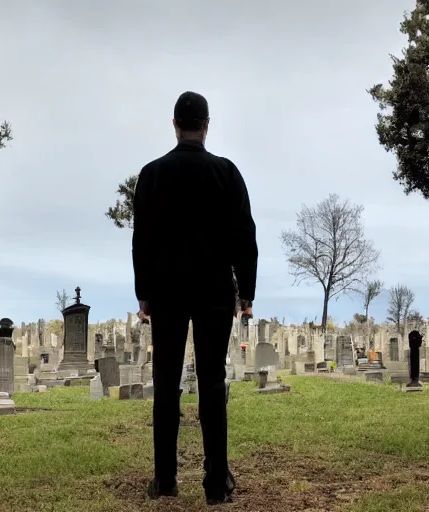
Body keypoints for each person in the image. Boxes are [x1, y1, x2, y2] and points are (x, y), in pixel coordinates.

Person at [133, 91, 258, 505]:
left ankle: (165, 480)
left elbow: (142, 240)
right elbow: (246, 237)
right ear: (206, 126)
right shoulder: (226, 173)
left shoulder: (152, 175)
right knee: (211, 381)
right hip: (214, 290)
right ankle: (216, 483)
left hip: (167, 291)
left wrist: (145, 294)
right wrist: (247, 293)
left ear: (174, 125)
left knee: (166, 384)